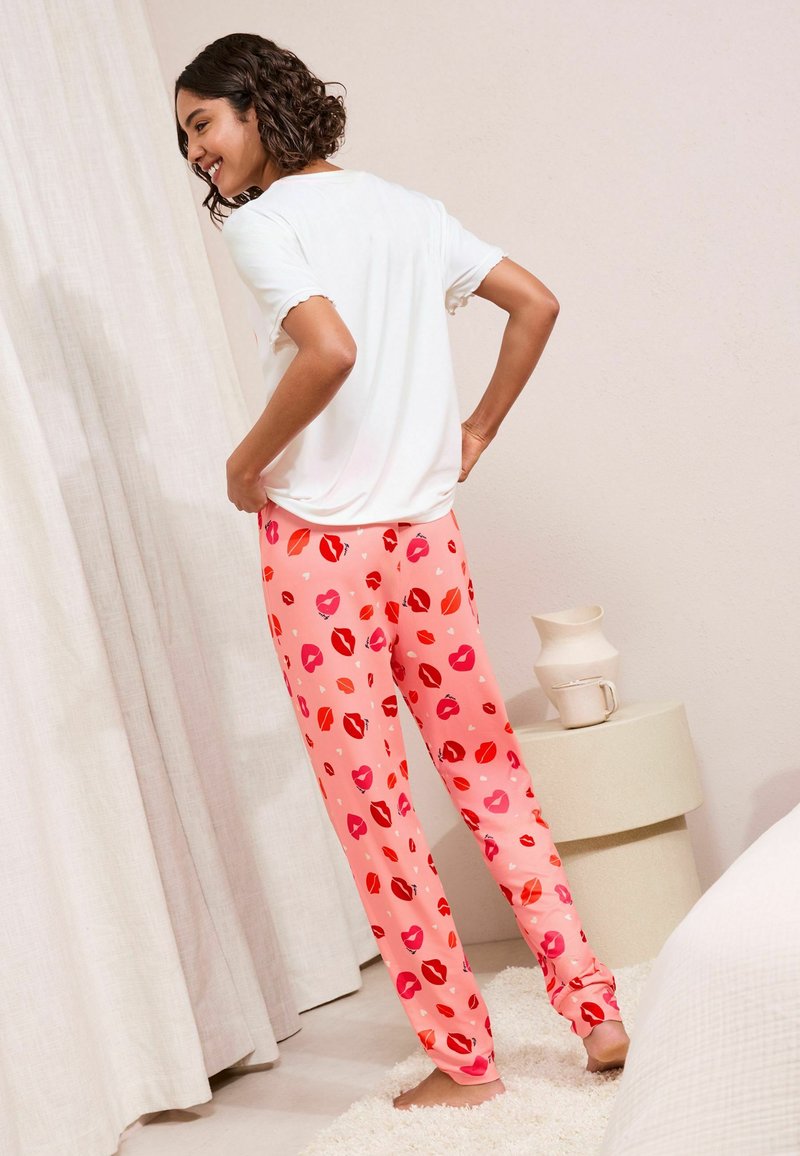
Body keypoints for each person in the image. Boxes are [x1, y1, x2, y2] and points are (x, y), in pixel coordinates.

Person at [175, 32, 630, 1111]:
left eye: (202, 124)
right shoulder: (409, 211)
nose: (194, 152)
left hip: (319, 549)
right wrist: (475, 429)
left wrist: (243, 464)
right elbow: (536, 302)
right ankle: (594, 1009)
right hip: (425, 538)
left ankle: (465, 1063)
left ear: (256, 107)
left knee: (374, 802)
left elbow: (329, 351)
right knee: (489, 772)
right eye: (184, 136)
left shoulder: (266, 223)